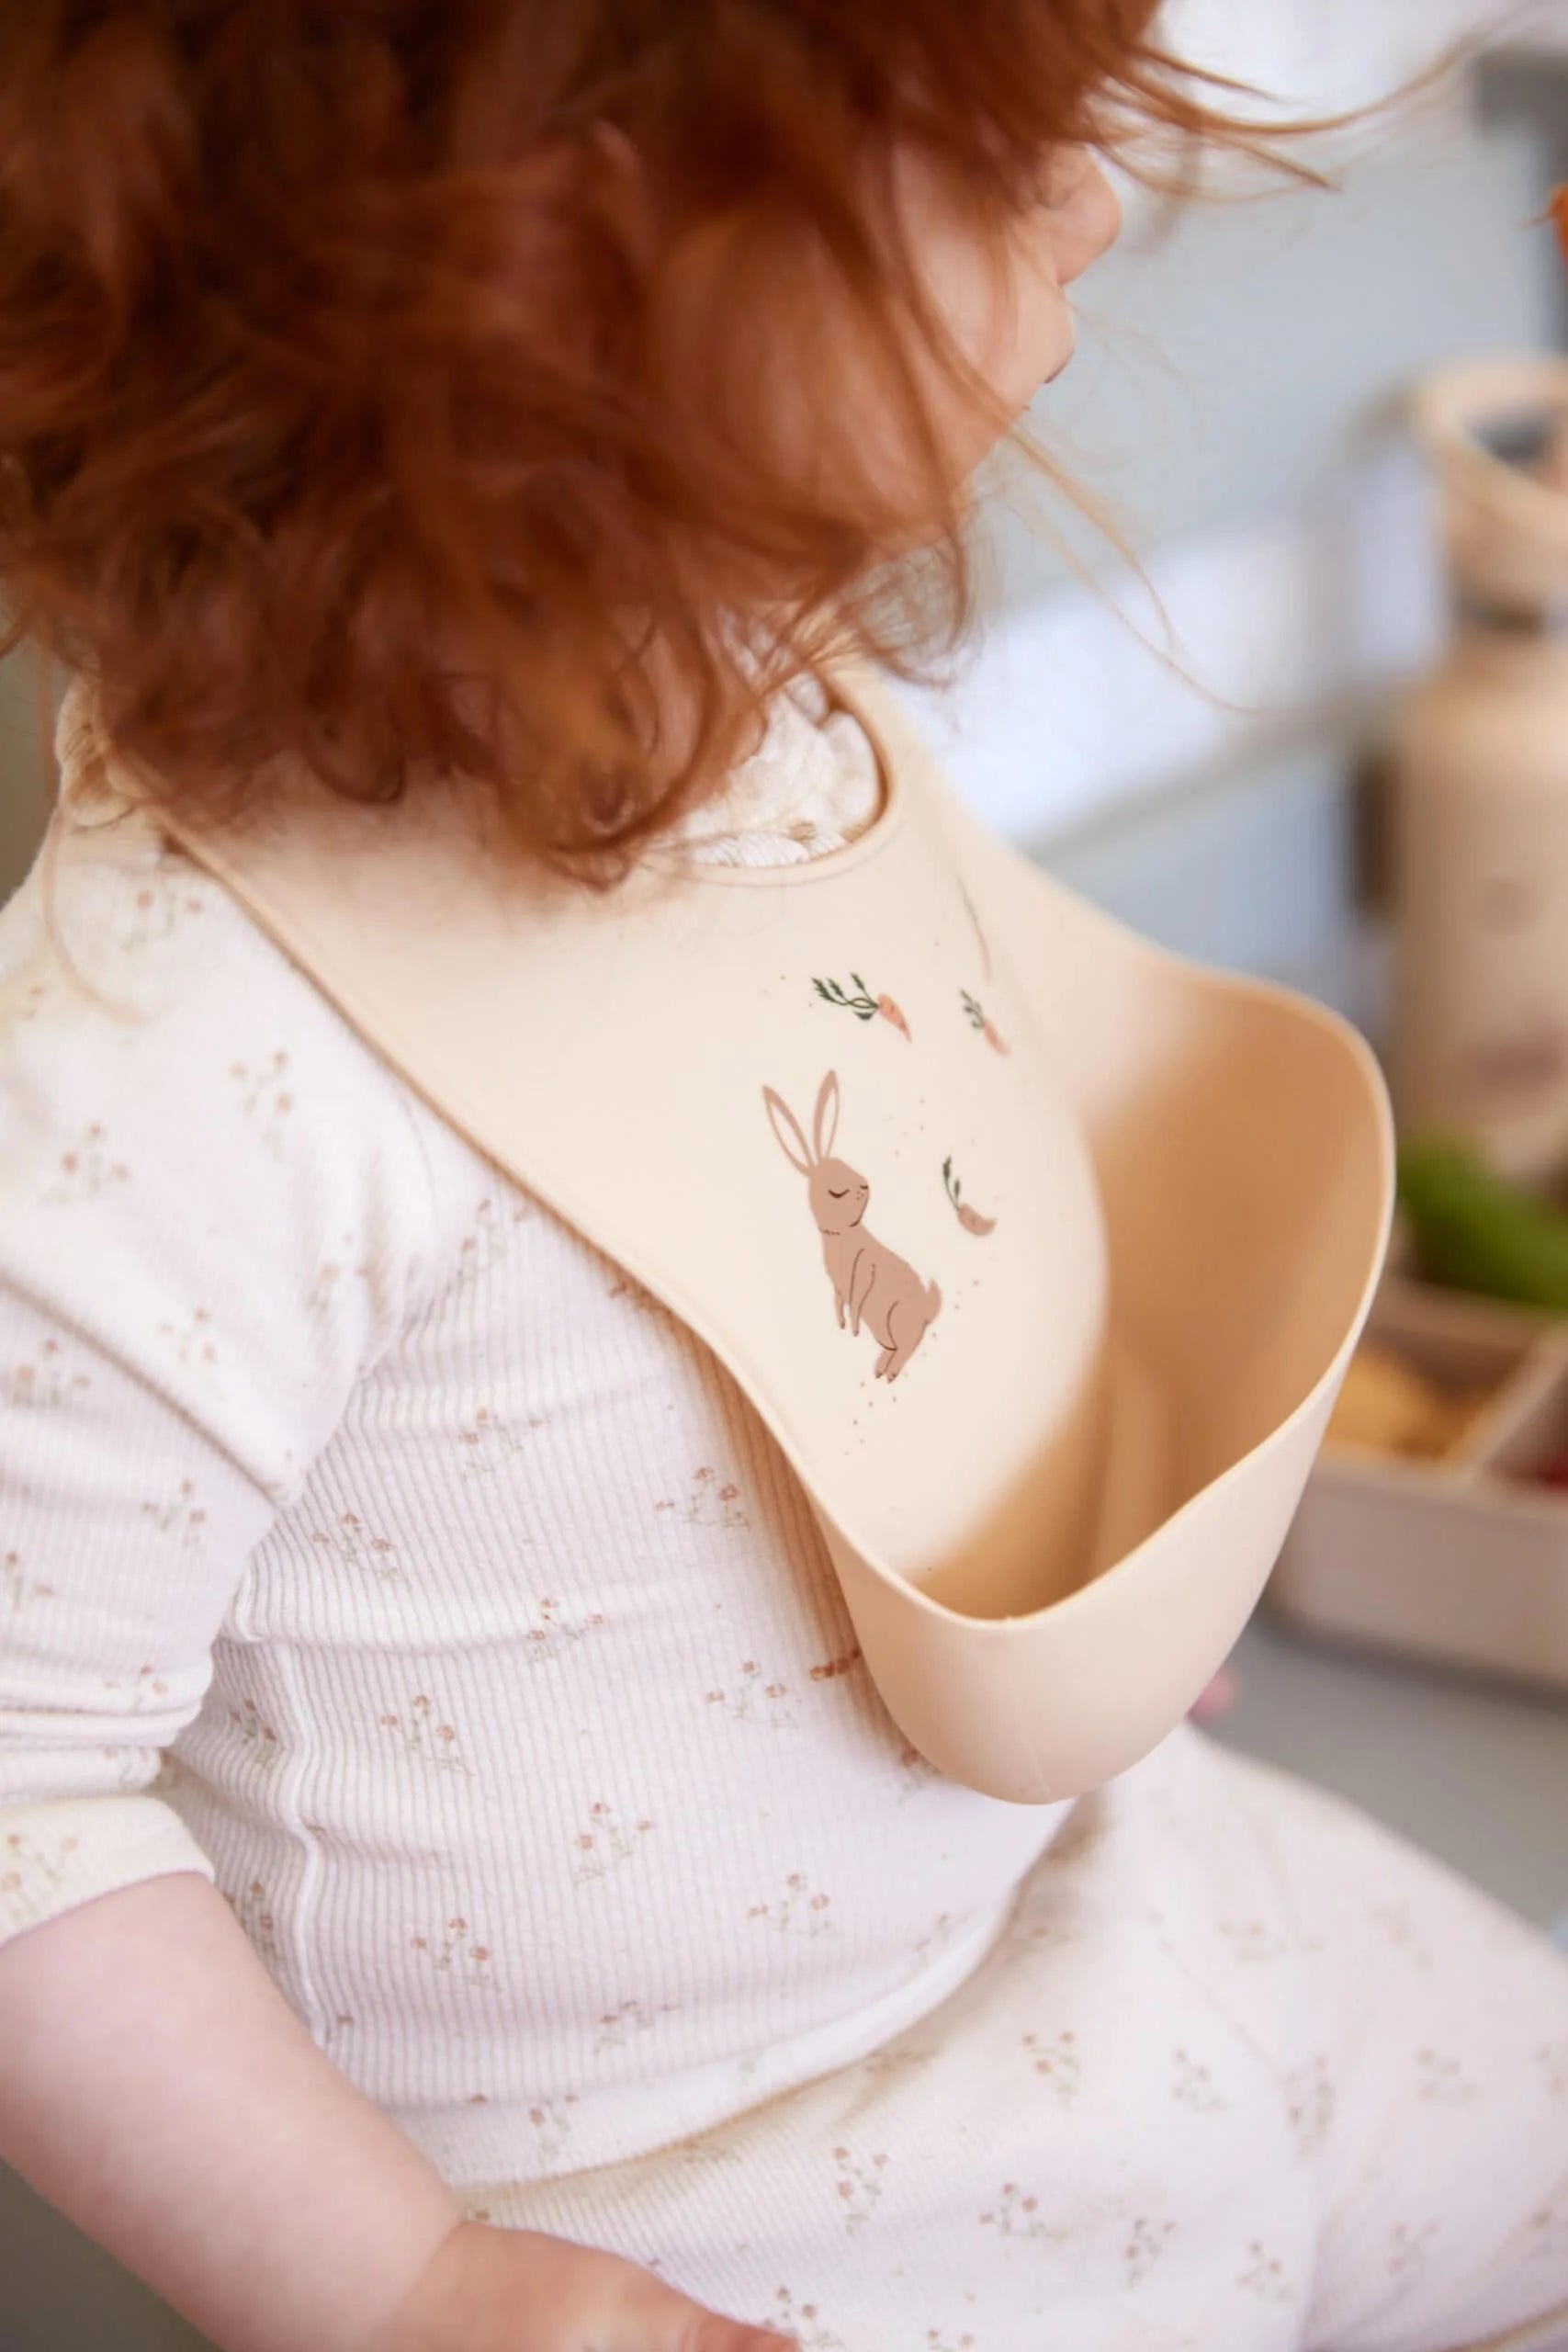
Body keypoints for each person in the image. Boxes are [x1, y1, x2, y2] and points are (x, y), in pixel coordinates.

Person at [0, 8, 1563, 2351]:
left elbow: (872, 1122)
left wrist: (1052, 1503)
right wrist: (407, 2284)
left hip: (1103, 1886)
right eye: (1005, 160)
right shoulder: (183, 1052)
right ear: (559, 274)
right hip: (691, 2190)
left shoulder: (745, 672)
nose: (1091, 209)